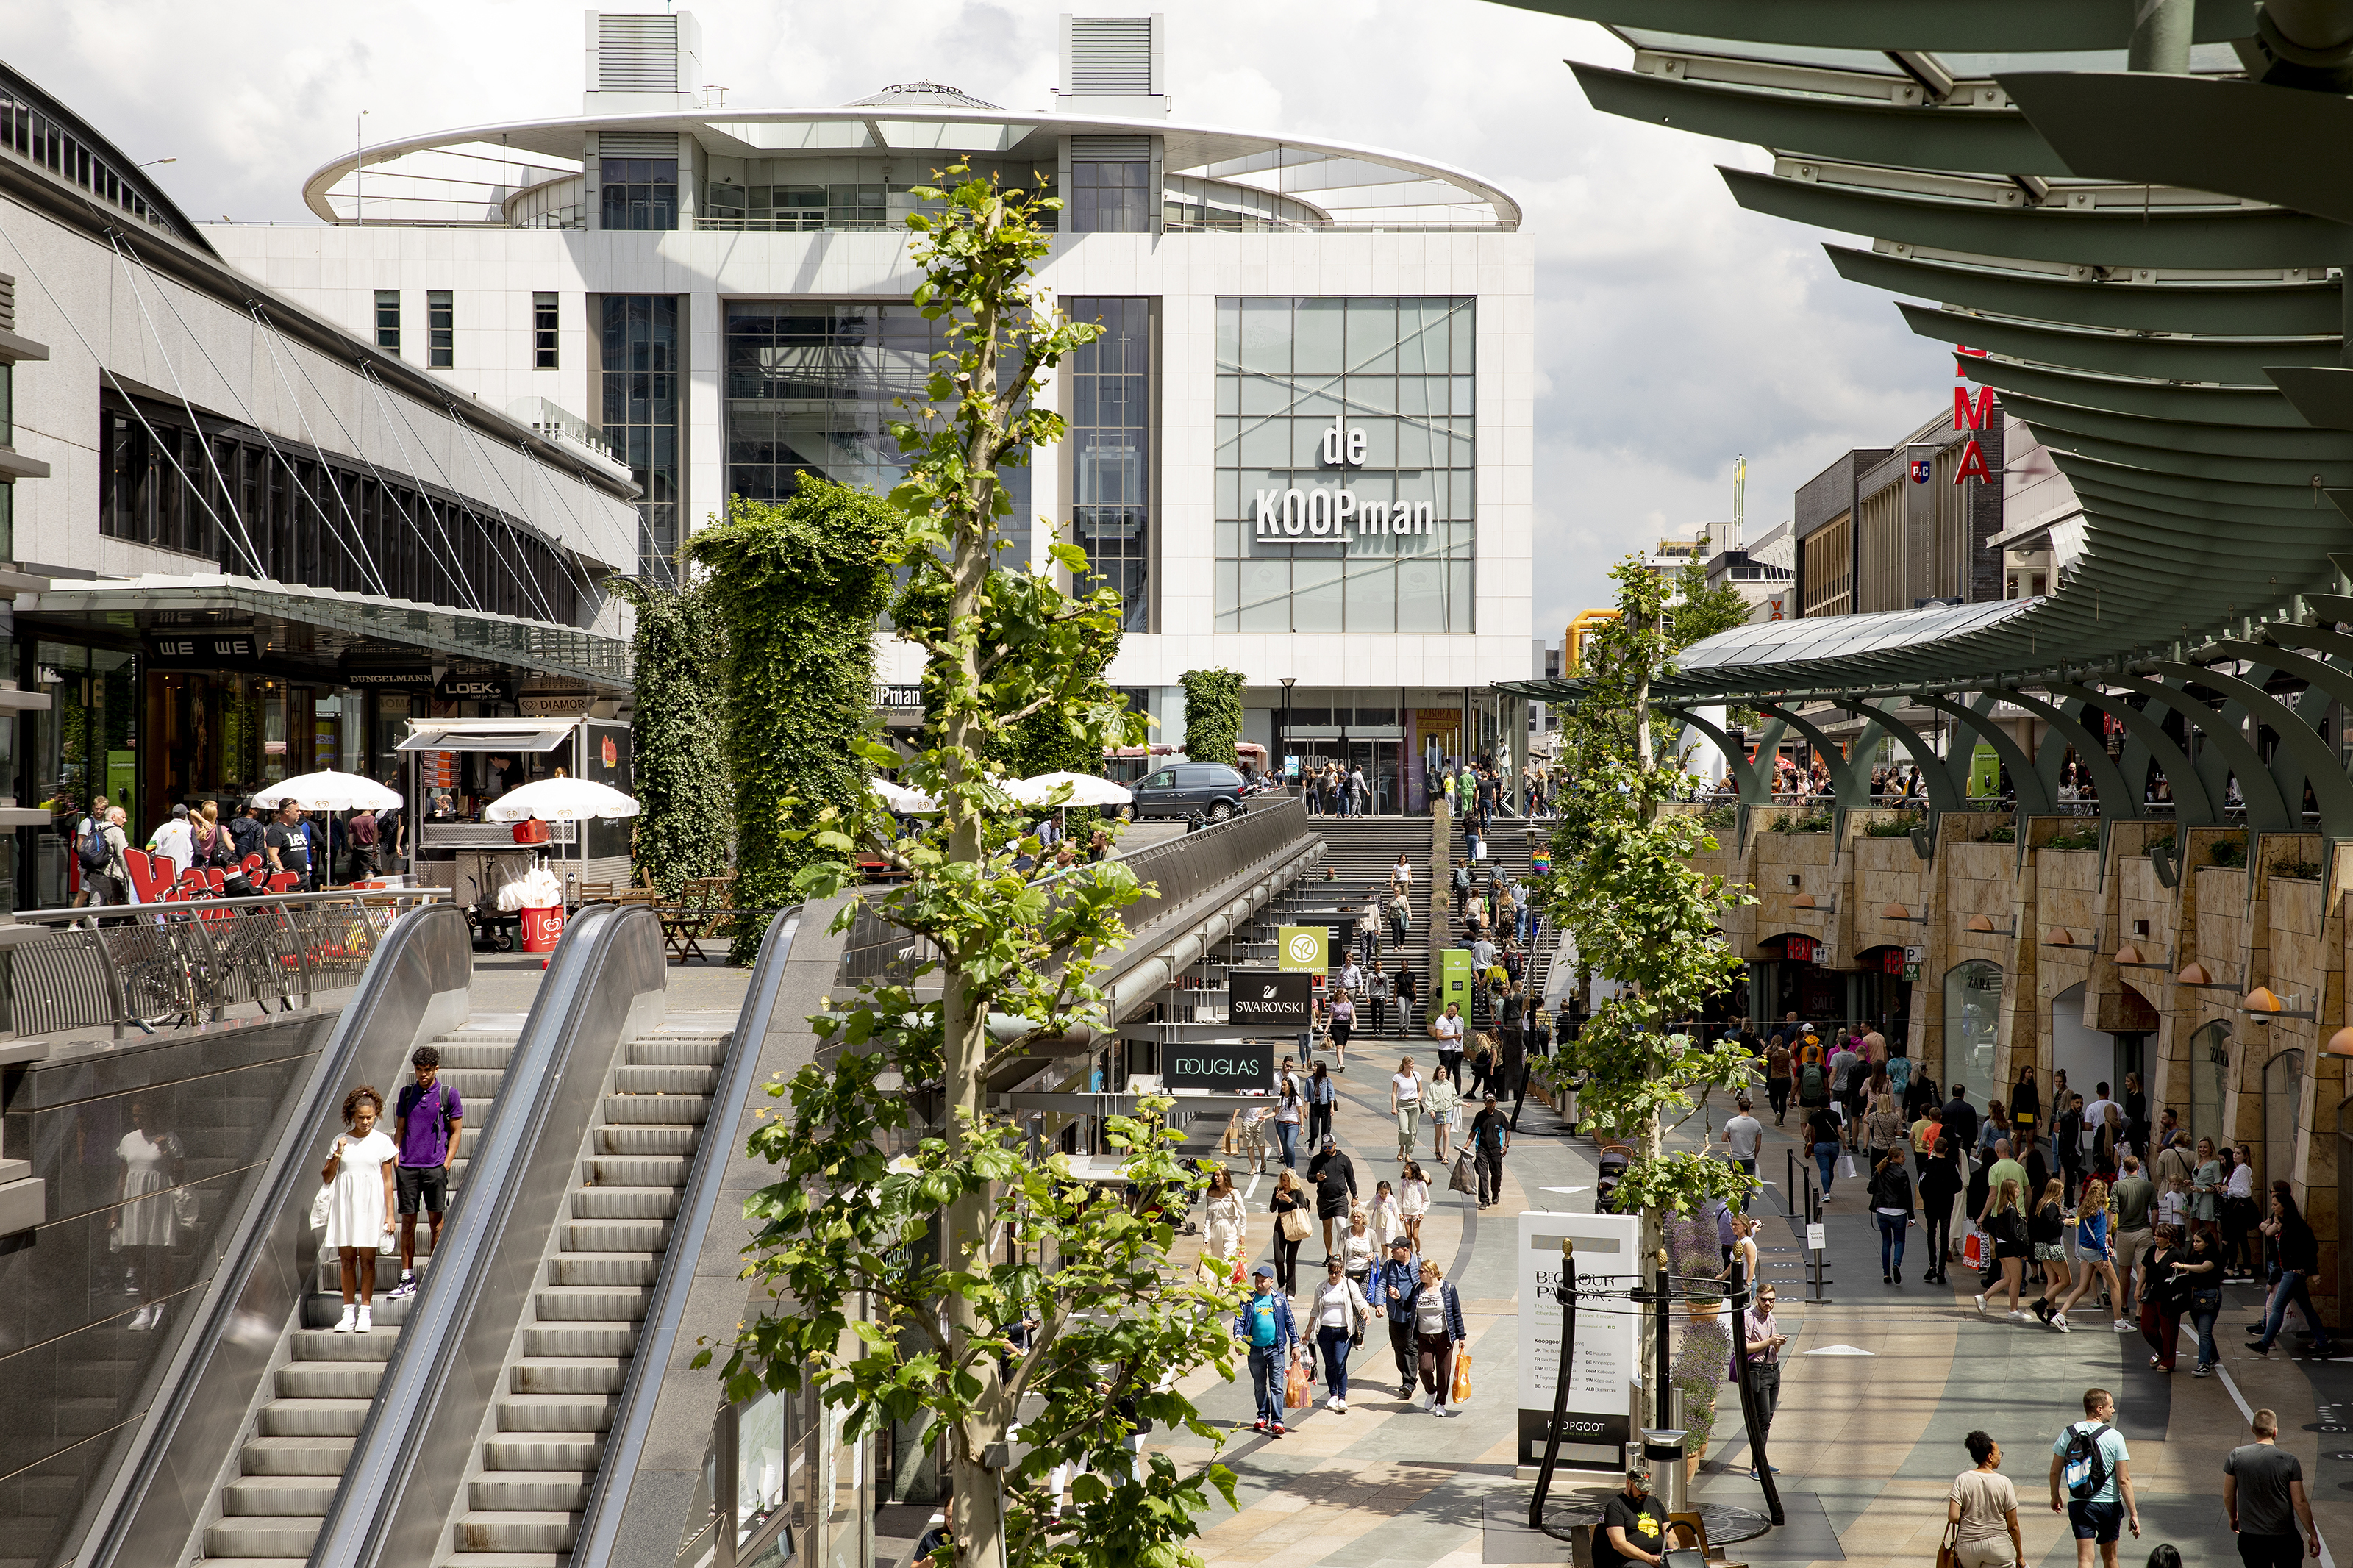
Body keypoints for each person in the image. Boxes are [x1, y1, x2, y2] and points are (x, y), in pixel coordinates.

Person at [385, 1045, 463, 1300]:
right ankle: (407, 1277)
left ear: (436, 1069)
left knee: (436, 1223)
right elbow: (400, 1128)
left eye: (427, 1070)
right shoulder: (407, 1094)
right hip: (408, 1167)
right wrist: (397, 1154)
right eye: (419, 1070)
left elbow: (456, 1131)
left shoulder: (448, 1094)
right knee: (408, 1223)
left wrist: (447, 1162)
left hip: (435, 1168)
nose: (423, 1075)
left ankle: (434, 1276)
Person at [321, 1085, 398, 1334]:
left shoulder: (383, 1142)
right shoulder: (340, 1141)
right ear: (352, 1115)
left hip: (371, 1206)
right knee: (346, 1261)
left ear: (376, 1115)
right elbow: (327, 1176)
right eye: (361, 1117)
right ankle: (347, 1313)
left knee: (367, 1261)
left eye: (370, 1117)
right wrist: (337, 1154)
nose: (365, 1122)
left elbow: (388, 1181)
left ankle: (365, 1311)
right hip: (346, 1205)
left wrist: (390, 1214)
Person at [2049, 1386, 2139, 1567]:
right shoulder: (2114, 1436)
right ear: (2099, 1409)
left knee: (2085, 1559)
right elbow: (2124, 1480)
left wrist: (2055, 1495)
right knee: (2111, 1558)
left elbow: (2054, 1471)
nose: (2113, 1410)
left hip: (2079, 1503)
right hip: (2109, 1506)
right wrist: (2134, 1514)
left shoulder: (2068, 1433)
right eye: (2110, 1407)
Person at [112, 1098, 182, 1331]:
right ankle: (144, 1309)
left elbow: (179, 1175)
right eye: (134, 1115)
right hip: (135, 1203)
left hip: (160, 1202)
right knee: (138, 1257)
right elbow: (123, 1177)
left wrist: (164, 1150)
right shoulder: (128, 1140)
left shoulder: (170, 1139)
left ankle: (163, 1306)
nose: (137, 1119)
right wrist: (115, 1210)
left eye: (141, 1114)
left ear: (153, 1113)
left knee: (161, 1256)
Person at [2227, 1408, 2320, 1568]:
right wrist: (2312, 1533)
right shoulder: (2289, 1461)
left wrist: (2233, 1518)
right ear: (2275, 1431)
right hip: (2284, 1538)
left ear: (2252, 1430)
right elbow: (2300, 1502)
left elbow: (2228, 1495)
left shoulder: (2236, 1456)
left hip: (2251, 1537)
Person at [2251, 1186, 2335, 1356]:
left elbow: (2310, 1248)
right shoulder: (2287, 1224)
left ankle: (2265, 1343)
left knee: (2277, 1307)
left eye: (2275, 1204)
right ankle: (2322, 1343)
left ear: (2284, 1206)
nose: (2273, 1207)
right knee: (2307, 1309)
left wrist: (2314, 1271)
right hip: (2291, 1272)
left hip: (2294, 1272)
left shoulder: (2296, 1226)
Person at [1234, 1265, 1299, 1437]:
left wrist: (1295, 1344)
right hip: (1255, 1350)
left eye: (1263, 1280)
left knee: (1276, 1386)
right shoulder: (1248, 1300)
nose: (1259, 1283)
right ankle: (1262, 1416)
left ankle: (1277, 1421)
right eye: (1257, 1280)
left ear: (1271, 1281)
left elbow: (1290, 1322)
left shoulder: (1279, 1300)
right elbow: (1239, 1320)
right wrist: (1239, 1339)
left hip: (1275, 1350)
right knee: (1259, 1386)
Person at [1948, 1431, 2027, 1568]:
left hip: (1967, 1548)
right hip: (1998, 1547)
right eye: (1998, 1453)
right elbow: (2013, 1525)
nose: (2000, 1457)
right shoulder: (2004, 1482)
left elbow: (1953, 1517)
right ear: (1990, 1457)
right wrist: (2020, 1556)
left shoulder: (1962, 1479)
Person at [2054, 1178, 2121, 1334]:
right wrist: (2105, 1256)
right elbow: (2099, 1237)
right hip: (2095, 1252)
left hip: (2084, 1250)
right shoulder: (2099, 1212)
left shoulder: (2084, 1209)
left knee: (2082, 1287)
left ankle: (2061, 1315)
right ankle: (2119, 1322)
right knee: (2115, 1285)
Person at [1310, 1255, 1372, 1413]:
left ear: (1342, 1271)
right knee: (1330, 1364)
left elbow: (1359, 1301)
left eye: (1337, 1272)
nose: (1333, 1275)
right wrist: (1307, 1331)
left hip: (1343, 1332)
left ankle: (1342, 1398)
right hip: (1324, 1331)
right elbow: (1315, 1310)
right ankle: (1333, 1394)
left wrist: (1365, 1311)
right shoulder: (1321, 1286)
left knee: (1340, 1363)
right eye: (1331, 1272)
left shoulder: (1349, 1284)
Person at [1407, 1258, 1468, 1417]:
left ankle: (1441, 1403)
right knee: (1425, 1368)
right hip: (1424, 1337)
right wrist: (1397, 1297)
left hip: (1443, 1337)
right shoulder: (1418, 1289)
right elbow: (1408, 1307)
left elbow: (1456, 1313)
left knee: (1443, 1372)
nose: (1419, 1274)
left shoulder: (1448, 1289)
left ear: (1432, 1273)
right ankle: (1431, 1391)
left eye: (1422, 1272)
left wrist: (1461, 1336)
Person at [1740, 1283, 1787, 1479]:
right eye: (1764, 1300)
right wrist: (1768, 1342)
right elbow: (1742, 1346)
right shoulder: (1748, 1318)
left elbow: (1773, 1350)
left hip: (1773, 1370)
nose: (1768, 1304)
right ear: (1756, 1299)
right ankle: (1756, 1465)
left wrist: (1778, 1344)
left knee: (1767, 1419)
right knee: (1761, 1419)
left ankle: (1761, 1460)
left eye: (1772, 1300)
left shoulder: (1772, 1319)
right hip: (1757, 1372)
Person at [1367, 1235, 1424, 1399]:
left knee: (1410, 1348)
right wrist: (1379, 1304)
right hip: (1394, 1315)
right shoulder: (1390, 1265)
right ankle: (1406, 1377)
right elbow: (1381, 1285)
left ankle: (1409, 1382)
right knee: (1399, 1349)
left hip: (1411, 1316)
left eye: (1395, 1249)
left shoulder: (1418, 1265)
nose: (1391, 1251)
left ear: (1405, 1250)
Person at [1593, 1464, 1674, 1568]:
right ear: (1628, 1483)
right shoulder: (1616, 1505)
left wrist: (1674, 1554)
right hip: (1633, 1560)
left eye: (1647, 1489)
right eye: (1640, 1488)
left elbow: (1671, 1534)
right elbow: (1619, 1543)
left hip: (1661, 1556)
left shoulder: (1655, 1502)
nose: (1644, 1492)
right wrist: (1649, 1558)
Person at [2136, 1222, 2191, 1372]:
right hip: (2151, 1294)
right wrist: (2138, 1289)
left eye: (2160, 1236)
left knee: (2169, 1332)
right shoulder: (2151, 1250)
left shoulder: (2176, 1254)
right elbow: (2144, 1269)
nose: (2156, 1239)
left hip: (2168, 1299)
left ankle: (2169, 1360)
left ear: (2169, 1238)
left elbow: (2184, 1276)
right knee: (2147, 1327)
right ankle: (2160, 1351)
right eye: (2156, 1235)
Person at [1976, 1177, 2030, 1320]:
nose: (2019, 1190)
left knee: (2008, 1279)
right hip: (2010, 1249)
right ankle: (2013, 1310)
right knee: (2016, 1279)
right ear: (2011, 1190)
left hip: (2002, 1247)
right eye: (2017, 1188)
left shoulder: (2002, 1207)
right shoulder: (2011, 1208)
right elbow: (2013, 1233)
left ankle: (1984, 1297)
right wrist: (2022, 1252)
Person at [2109, 1156, 2157, 1316]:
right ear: (2137, 1166)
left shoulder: (2118, 1186)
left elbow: (2113, 1210)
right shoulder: (2148, 1186)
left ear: (2124, 1167)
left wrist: (2109, 1232)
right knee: (2142, 1270)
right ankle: (2139, 1310)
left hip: (2124, 1233)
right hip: (2144, 1231)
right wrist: (2153, 1229)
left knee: (2124, 1271)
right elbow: (2155, 1210)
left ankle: (2123, 1304)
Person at [2027, 1178, 2074, 1325]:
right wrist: (2064, 1223)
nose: (2062, 1193)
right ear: (2056, 1191)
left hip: (2041, 1246)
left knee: (2052, 1280)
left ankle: (2051, 1312)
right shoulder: (2052, 1205)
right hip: (2052, 1246)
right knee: (2066, 1280)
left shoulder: (2042, 1204)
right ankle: (2041, 1304)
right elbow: (2051, 1225)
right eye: (2061, 1190)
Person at [2181, 1226, 2227, 1377]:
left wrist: (2182, 1266)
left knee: (2204, 1331)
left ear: (2207, 1243)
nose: (2194, 1244)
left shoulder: (2213, 1257)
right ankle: (2213, 1356)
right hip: (2195, 1295)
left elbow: (2203, 1269)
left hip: (2209, 1295)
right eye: (2194, 1241)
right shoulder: (2193, 1255)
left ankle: (2204, 1364)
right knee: (2203, 1330)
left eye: (2198, 1241)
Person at [1921, 1137, 1964, 1284]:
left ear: (1933, 1148)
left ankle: (1932, 1265)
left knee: (1931, 1233)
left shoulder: (1927, 1165)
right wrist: (1948, 1190)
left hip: (1931, 1204)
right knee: (1944, 1235)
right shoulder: (1951, 1165)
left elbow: (1922, 1184)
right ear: (1946, 1149)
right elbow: (1959, 1185)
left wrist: (1927, 1196)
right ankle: (1941, 1270)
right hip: (1946, 1204)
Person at [1871, 1148, 1915, 1284]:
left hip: (1882, 1212)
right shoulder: (1902, 1173)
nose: (1904, 1158)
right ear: (1894, 1158)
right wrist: (1912, 1217)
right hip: (1898, 1212)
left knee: (1886, 1242)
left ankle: (1886, 1274)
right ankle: (1896, 1264)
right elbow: (1908, 1196)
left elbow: (1870, 1188)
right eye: (1902, 1156)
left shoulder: (1879, 1170)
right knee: (1899, 1241)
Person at [1309, 1134, 1358, 1256]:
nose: (1327, 1150)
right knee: (1327, 1228)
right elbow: (1309, 1177)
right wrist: (1317, 1177)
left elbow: (1351, 1178)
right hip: (1324, 1200)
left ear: (1335, 1145)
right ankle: (1329, 1254)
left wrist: (1355, 1196)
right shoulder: (1317, 1160)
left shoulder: (1344, 1159)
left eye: (1330, 1146)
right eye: (1325, 1147)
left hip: (1340, 1199)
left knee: (1342, 1225)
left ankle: (1340, 1254)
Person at [1468, 1090, 1511, 1208]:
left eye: (1492, 1102)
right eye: (1488, 1102)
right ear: (1485, 1103)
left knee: (1497, 1174)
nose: (1491, 1104)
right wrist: (1467, 1144)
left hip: (1496, 1150)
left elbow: (1508, 1129)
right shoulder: (1480, 1116)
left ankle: (1495, 1193)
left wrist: (1506, 1145)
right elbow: (1473, 1131)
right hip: (1482, 1149)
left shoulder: (1500, 1116)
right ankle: (1484, 1200)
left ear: (1495, 1103)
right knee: (1483, 1175)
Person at [1268, 1171, 1308, 1295]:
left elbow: (1303, 1208)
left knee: (1291, 1260)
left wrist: (1290, 1201)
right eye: (1283, 1181)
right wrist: (1276, 1198)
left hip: (1294, 1225)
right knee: (1279, 1258)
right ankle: (1281, 1282)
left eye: (1288, 1181)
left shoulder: (1297, 1191)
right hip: (1280, 1224)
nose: (1285, 1184)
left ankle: (1291, 1291)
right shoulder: (1278, 1189)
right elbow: (1272, 1209)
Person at [1203, 1166, 1247, 1276]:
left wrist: (1242, 1234)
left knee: (1228, 1260)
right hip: (1215, 1229)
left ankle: (1225, 1290)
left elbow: (1243, 1214)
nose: (1216, 1178)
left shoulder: (1234, 1193)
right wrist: (1206, 1235)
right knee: (1217, 1262)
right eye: (1215, 1176)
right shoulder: (1211, 1193)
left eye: (1219, 1175)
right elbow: (1209, 1216)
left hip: (1230, 1228)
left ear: (1225, 1176)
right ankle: (1221, 1286)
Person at [1723, 1096, 1763, 1209]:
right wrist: (1754, 1155)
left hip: (1735, 1158)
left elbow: (1723, 1138)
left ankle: (1732, 1207)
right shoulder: (1756, 1123)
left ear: (1738, 1107)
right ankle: (1744, 1208)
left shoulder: (1731, 1122)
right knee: (1747, 1184)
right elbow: (1758, 1142)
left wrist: (1734, 1138)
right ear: (1750, 1107)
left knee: (1732, 1183)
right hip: (1749, 1158)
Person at [265, 801, 313, 889]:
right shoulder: (276, 831)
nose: (300, 813)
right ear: (287, 812)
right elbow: (272, 855)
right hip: (289, 882)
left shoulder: (298, 828)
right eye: (297, 810)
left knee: (307, 903)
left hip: (304, 879)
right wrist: (284, 874)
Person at [146, 803, 195, 883]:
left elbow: (150, 848)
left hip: (165, 872)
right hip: (184, 873)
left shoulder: (162, 828)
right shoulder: (191, 829)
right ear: (184, 816)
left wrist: (157, 859)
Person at [1389, 1056, 1424, 1161]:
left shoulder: (1416, 1075)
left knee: (1413, 1131)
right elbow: (1394, 1093)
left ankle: (1408, 1153)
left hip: (1414, 1105)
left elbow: (1421, 1090)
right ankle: (1401, 1147)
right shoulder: (1397, 1077)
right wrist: (1394, 1107)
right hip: (1402, 1105)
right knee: (1404, 1130)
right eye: (1411, 1064)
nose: (1413, 1066)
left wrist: (1418, 1100)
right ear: (1405, 1065)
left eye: (1413, 1064)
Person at [1272, 1059, 1304, 1170]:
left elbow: (1298, 1094)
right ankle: (1283, 1156)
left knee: (1290, 1145)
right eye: (1287, 1065)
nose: (1288, 1068)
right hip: (1279, 1109)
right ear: (1283, 1064)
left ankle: (1292, 1168)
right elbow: (1270, 1091)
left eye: (1291, 1066)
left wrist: (1302, 1125)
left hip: (1292, 1119)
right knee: (1284, 1144)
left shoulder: (1294, 1078)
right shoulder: (1275, 1077)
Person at [1426, 1069, 1463, 1164]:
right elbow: (1429, 1100)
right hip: (1438, 1112)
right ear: (1437, 1074)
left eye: (1444, 1072)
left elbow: (1454, 1099)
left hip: (1448, 1111)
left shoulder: (1450, 1085)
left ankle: (1445, 1156)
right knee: (1438, 1135)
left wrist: (1463, 1103)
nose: (1442, 1074)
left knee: (1446, 1133)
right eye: (1440, 1072)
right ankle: (1438, 1150)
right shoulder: (1433, 1086)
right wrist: (1431, 1110)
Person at [1807, 1100, 1842, 1198]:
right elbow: (1840, 1131)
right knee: (1830, 1169)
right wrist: (1844, 1142)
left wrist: (1806, 1138)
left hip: (1821, 1145)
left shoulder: (1815, 1115)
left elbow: (1808, 1129)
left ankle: (1826, 1192)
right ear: (1829, 1104)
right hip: (1834, 1145)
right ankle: (1828, 1188)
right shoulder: (1836, 1115)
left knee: (1824, 1169)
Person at [910, 1498, 955, 1568]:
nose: (951, 1521)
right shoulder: (931, 1538)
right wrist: (925, 1564)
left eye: (955, 1517)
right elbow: (913, 1566)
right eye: (948, 1517)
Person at [1432, 1001, 1466, 1089]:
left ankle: (1447, 1090)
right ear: (1449, 1011)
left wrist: (1456, 1038)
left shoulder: (1450, 1020)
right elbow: (1438, 1036)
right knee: (1443, 1071)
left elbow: (1450, 1034)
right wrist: (1453, 1036)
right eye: (1454, 1014)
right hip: (1445, 1050)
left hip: (1452, 1049)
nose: (1455, 1016)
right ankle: (1440, 1089)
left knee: (1449, 1072)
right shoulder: (1441, 1020)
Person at [1305, 1060, 1337, 1151]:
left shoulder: (1327, 1080)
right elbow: (1307, 1096)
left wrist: (1332, 1107)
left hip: (1325, 1106)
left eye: (1315, 1066)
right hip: (1314, 1106)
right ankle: (1311, 1144)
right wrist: (1305, 1109)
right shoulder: (1309, 1080)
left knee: (1325, 1132)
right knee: (1314, 1131)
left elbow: (1331, 1095)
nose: (1313, 1068)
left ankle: (1323, 1150)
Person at [1764, 1033, 1793, 1125]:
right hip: (1786, 1079)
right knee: (1783, 1100)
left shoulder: (1771, 1052)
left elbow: (1764, 1051)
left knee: (1773, 1099)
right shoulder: (1788, 1052)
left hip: (1775, 1078)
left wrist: (1771, 1045)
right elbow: (1794, 1065)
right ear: (1782, 1042)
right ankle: (1781, 1121)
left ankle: (1777, 1112)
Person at [2011, 1065, 2042, 1134]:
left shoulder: (2033, 1087)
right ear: (2024, 1073)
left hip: (2030, 1116)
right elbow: (2014, 1103)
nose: (2031, 1074)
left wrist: (2039, 1117)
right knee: (2017, 1139)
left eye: (2032, 1072)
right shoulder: (2018, 1087)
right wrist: (2010, 1118)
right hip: (2019, 1116)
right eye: (2029, 1072)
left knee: (2030, 1139)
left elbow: (2036, 1103)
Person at [1368, 960, 1392, 1038]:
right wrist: (1367, 996)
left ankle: (1381, 1028)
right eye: (1377, 965)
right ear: (1375, 966)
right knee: (1373, 1013)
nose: (1379, 967)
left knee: (1382, 1013)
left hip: (1381, 996)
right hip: (1373, 996)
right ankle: (1374, 1028)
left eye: (1380, 965)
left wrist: (1387, 996)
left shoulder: (1384, 975)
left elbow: (1387, 986)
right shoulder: (1370, 975)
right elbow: (1367, 985)